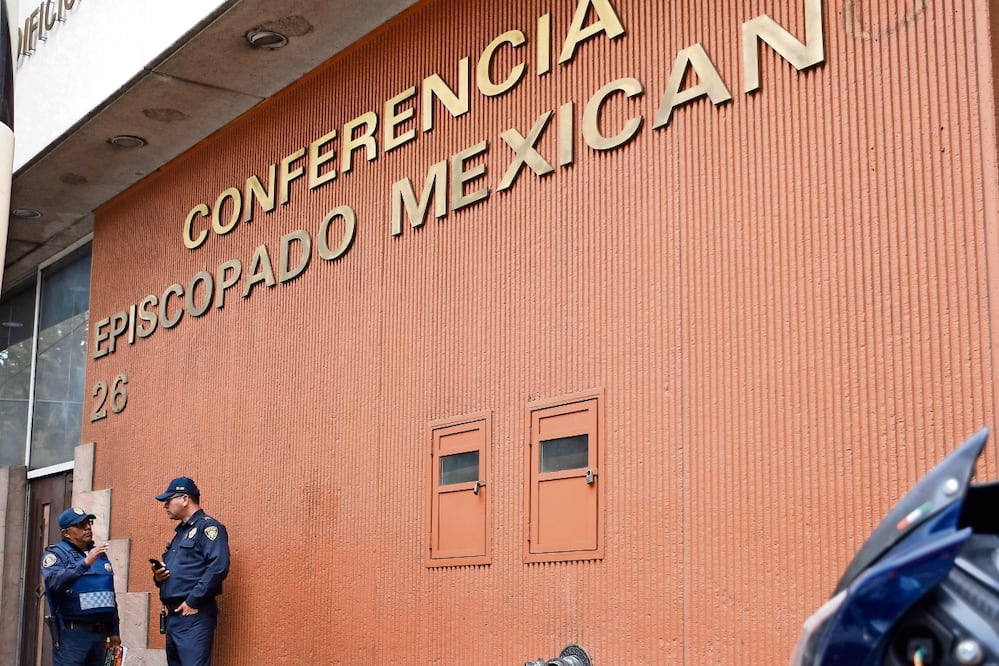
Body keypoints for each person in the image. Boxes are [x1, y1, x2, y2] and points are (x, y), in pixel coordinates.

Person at [152, 476, 230, 666]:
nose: (165, 505)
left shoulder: (208, 527)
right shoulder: (181, 532)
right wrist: (159, 577)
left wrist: (192, 600)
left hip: (193, 615)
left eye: (169, 500)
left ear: (185, 499)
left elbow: (218, 566)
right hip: (174, 617)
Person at [41, 507, 121, 666]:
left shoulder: (99, 554)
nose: (88, 527)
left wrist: (114, 632)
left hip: (100, 635)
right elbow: (54, 582)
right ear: (66, 533)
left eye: (88, 522)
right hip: (73, 636)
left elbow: (109, 596)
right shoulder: (56, 554)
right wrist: (85, 563)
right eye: (80, 525)